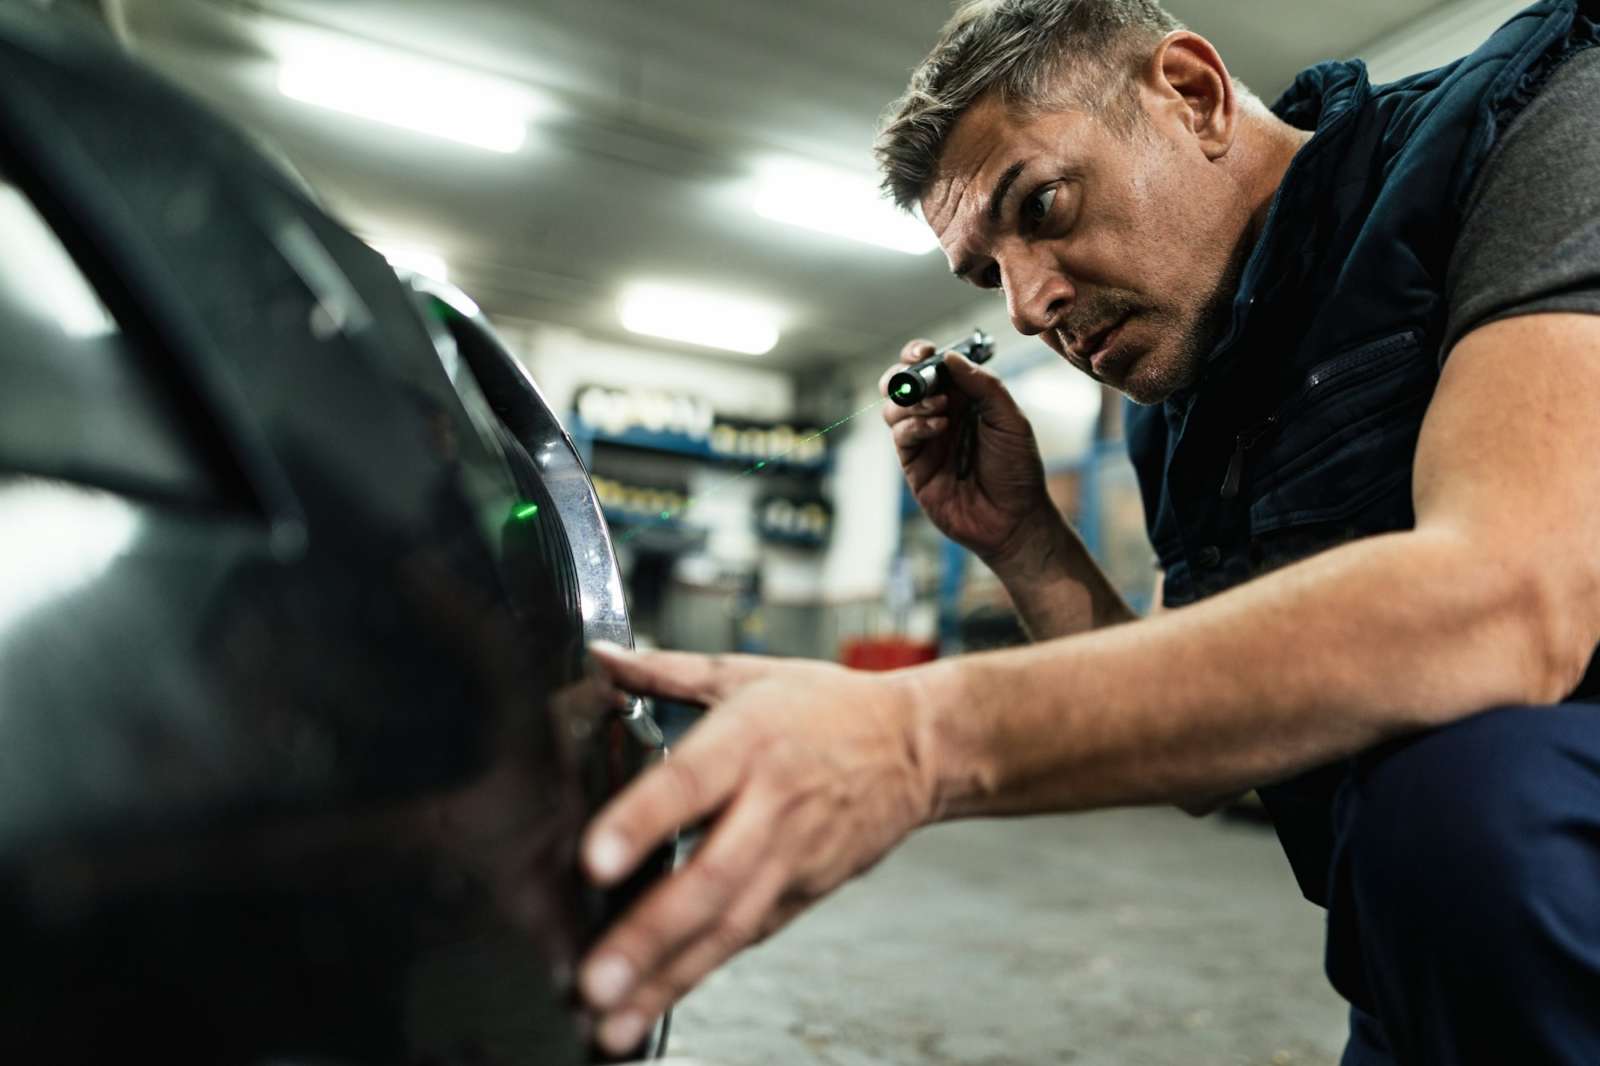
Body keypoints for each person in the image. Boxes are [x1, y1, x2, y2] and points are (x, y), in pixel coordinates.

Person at [575, 0, 1600, 1060]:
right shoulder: (1189, 403)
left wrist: (918, 736)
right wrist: (1023, 538)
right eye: (987, 275)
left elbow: (1512, 601)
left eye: (1044, 204)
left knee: (1468, 792)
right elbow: (1198, 763)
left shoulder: (1533, 126)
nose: (1026, 307)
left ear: (1191, 95)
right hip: (1437, 938)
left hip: (1520, 868)